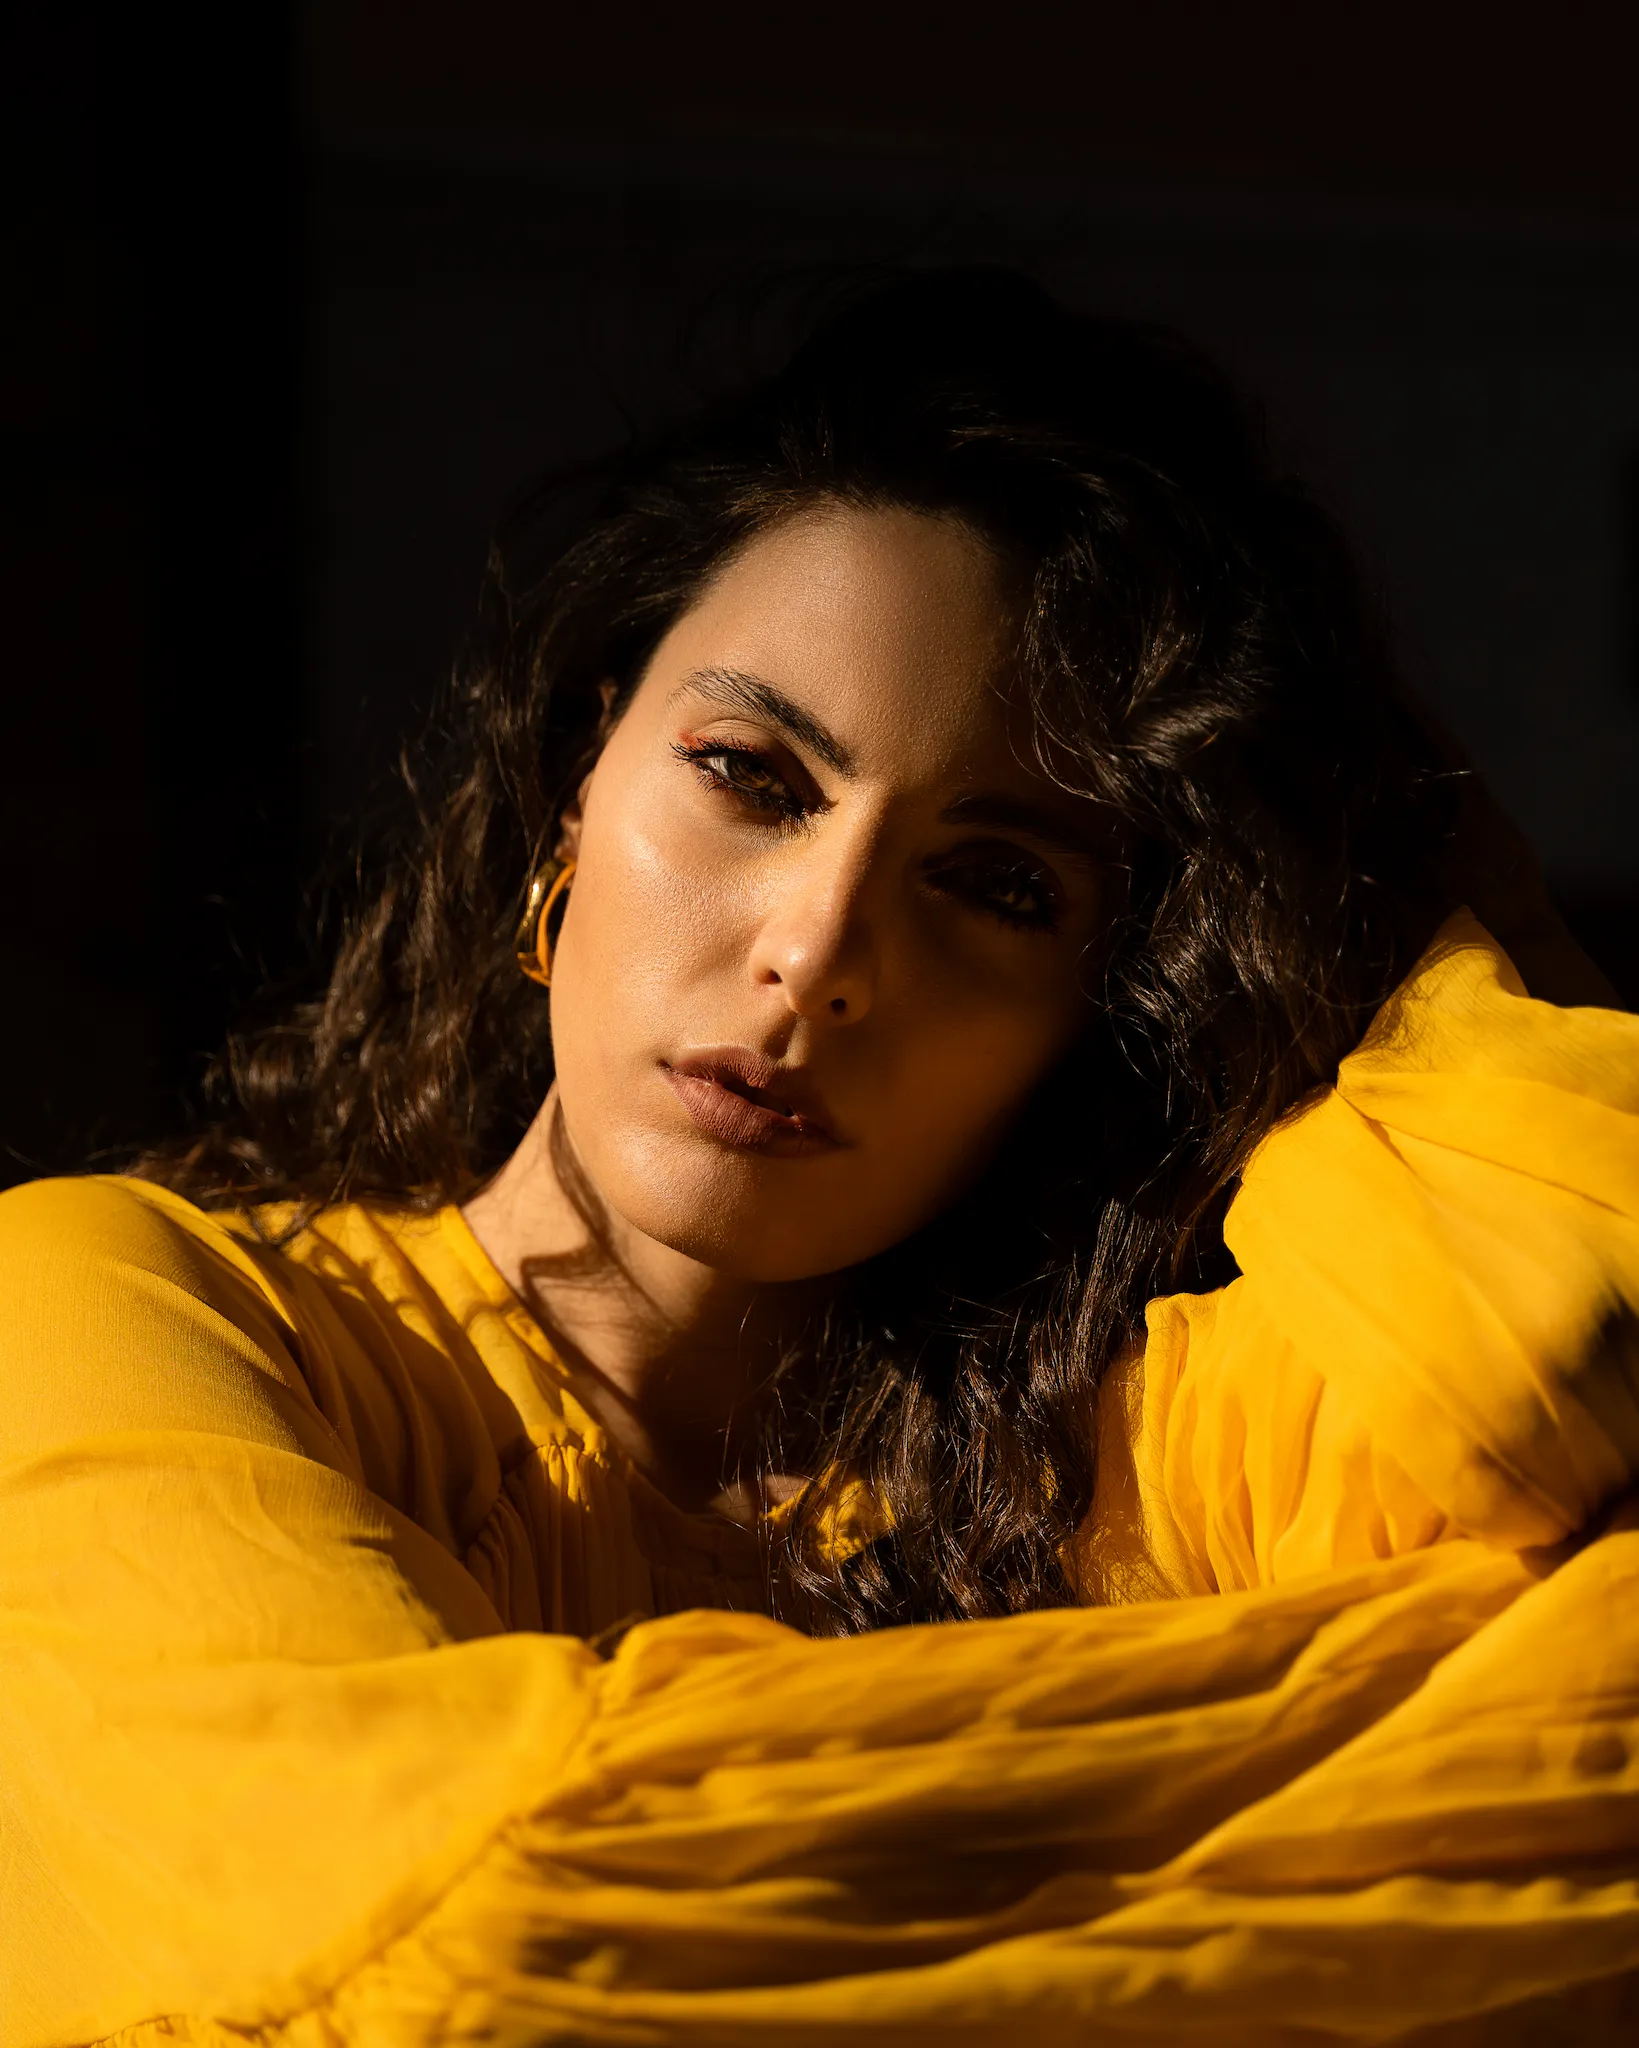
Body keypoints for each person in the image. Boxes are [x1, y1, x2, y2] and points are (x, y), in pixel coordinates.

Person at [3, 270, 1637, 2045]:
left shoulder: (1123, 1487)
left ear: (1103, 1011)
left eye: (996, 884)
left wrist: (1355, 874)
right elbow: (478, 1926)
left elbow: (1550, 1350)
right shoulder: (106, 1305)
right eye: (752, 775)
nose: (820, 950)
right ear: (574, 790)